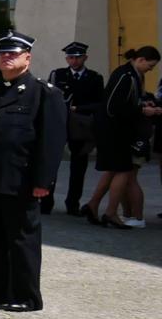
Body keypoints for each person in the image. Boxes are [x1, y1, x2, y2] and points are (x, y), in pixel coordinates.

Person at [0, 31, 65, 311]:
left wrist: (43, 181)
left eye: (13, 53)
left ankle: (26, 296)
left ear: (27, 58)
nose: (6, 58)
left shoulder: (44, 93)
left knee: (22, 239)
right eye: (2, 53)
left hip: (21, 180)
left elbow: (51, 142)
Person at [88, 46, 161, 229]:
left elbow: (127, 102)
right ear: (141, 60)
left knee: (113, 170)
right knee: (123, 170)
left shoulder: (133, 75)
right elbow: (113, 107)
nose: (150, 70)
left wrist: (143, 103)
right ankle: (111, 212)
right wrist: (143, 110)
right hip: (114, 131)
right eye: (150, 66)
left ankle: (93, 205)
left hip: (118, 130)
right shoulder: (125, 75)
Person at [46, 42, 104, 216]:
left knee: (79, 166)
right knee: (51, 163)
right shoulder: (58, 74)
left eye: (78, 57)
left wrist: (79, 109)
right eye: (71, 57)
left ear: (85, 57)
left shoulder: (94, 77)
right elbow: (49, 98)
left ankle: (73, 203)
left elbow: (99, 103)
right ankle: (46, 202)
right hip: (60, 122)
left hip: (80, 124)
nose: (74, 61)